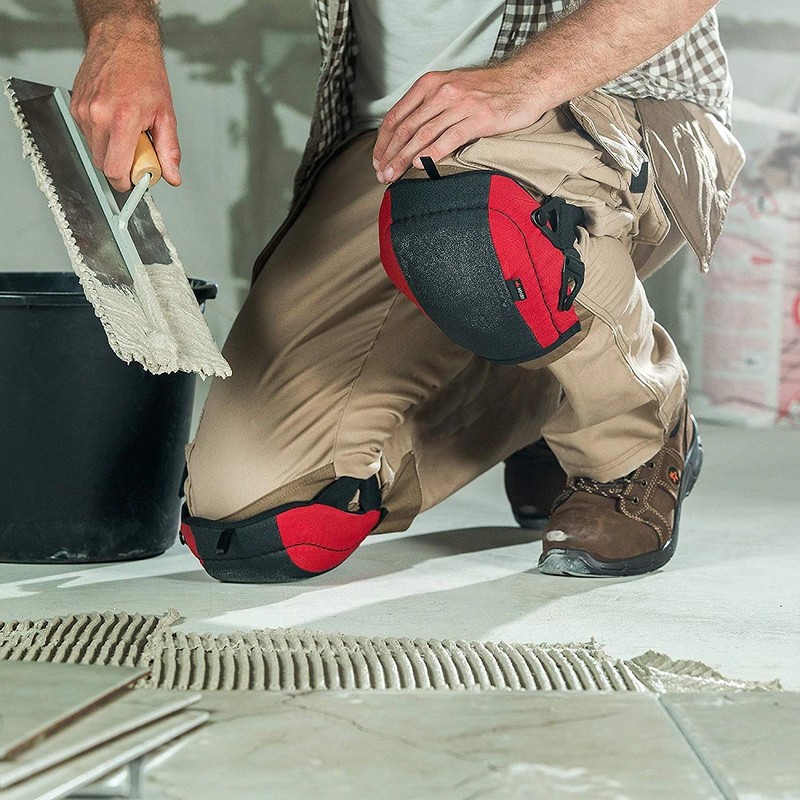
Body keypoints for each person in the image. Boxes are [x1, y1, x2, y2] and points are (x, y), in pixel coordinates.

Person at [71, 0, 744, 583]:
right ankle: (555, 381)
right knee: (259, 517)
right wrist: (121, 33)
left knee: (475, 228)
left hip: (605, 101)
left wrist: (523, 80)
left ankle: (633, 439)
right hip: (394, 144)